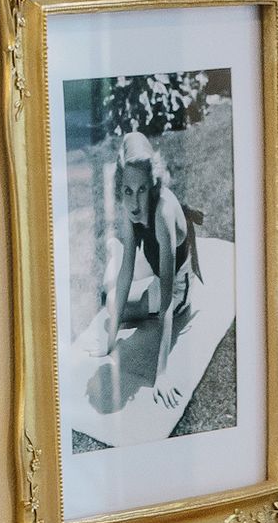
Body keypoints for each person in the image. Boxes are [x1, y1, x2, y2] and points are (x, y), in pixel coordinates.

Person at [77, 130, 204, 421]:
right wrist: (111, 341)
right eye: (128, 191)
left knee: (118, 306)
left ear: (153, 185)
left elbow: (168, 304)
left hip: (175, 287)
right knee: (111, 297)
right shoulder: (130, 208)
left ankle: (141, 284)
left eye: (142, 190)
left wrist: (161, 373)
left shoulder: (163, 213)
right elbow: (126, 274)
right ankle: (124, 260)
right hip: (154, 259)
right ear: (121, 188)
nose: (134, 202)